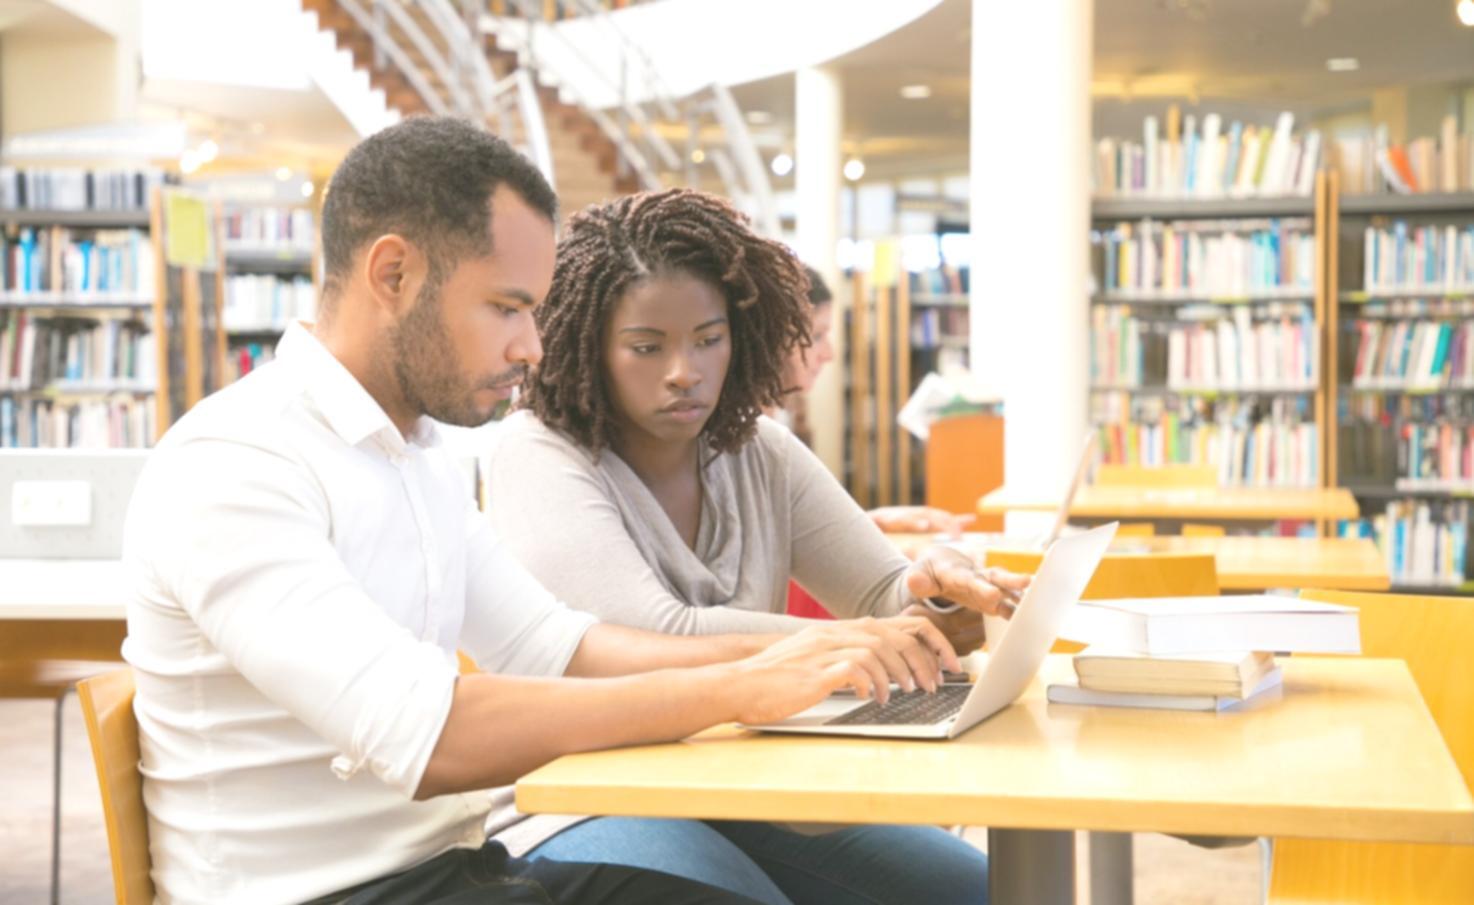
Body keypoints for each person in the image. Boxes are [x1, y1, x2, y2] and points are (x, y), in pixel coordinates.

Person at [120, 117, 959, 905]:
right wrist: (741, 683)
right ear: (393, 275)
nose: (532, 346)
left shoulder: (416, 453)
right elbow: (431, 734)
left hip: (452, 869)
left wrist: (809, 652)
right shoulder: (235, 461)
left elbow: (557, 647)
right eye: (507, 307)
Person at [486, 188, 1031, 904]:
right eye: (647, 347)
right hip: (579, 795)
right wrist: (854, 640)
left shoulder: (761, 449)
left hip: (742, 780)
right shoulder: (536, 453)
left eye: (708, 339)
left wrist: (941, 591)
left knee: (987, 890)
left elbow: (881, 593)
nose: (684, 370)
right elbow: (651, 633)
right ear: (588, 347)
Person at [782, 264, 973, 538]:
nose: (829, 354)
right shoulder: (754, 439)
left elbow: (795, 535)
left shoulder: (783, 422)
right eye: (817, 336)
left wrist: (875, 522)